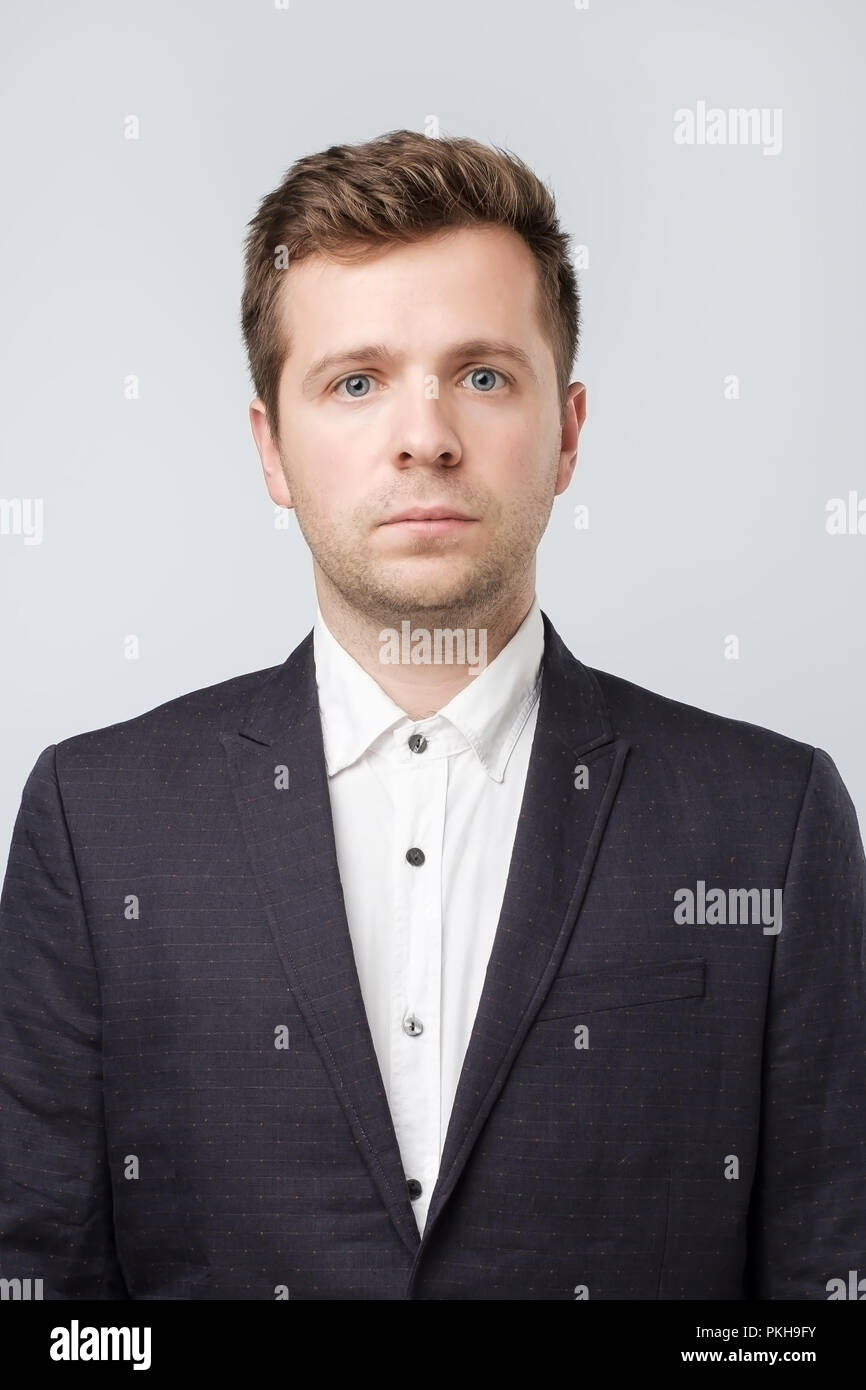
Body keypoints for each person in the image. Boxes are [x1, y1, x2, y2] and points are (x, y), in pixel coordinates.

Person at [1, 128, 863, 1301]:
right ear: (272, 448)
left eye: (481, 375)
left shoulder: (773, 820)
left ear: (566, 432)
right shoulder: (92, 822)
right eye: (355, 382)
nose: (424, 435)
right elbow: (42, 1295)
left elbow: (822, 1289)